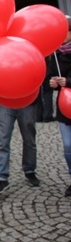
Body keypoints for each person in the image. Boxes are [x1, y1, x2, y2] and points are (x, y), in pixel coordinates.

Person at [0, 100, 39, 194]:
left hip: (27, 101)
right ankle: (1, 177)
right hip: (5, 100)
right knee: (2, 140)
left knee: (29, 139)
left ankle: (30, 169)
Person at [48, 15, 71, 197]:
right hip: (64, 106)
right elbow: (51, 75)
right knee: (68, 146)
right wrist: (53, 82)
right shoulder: (56, 54)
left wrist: (68, 81)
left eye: (63, 32)